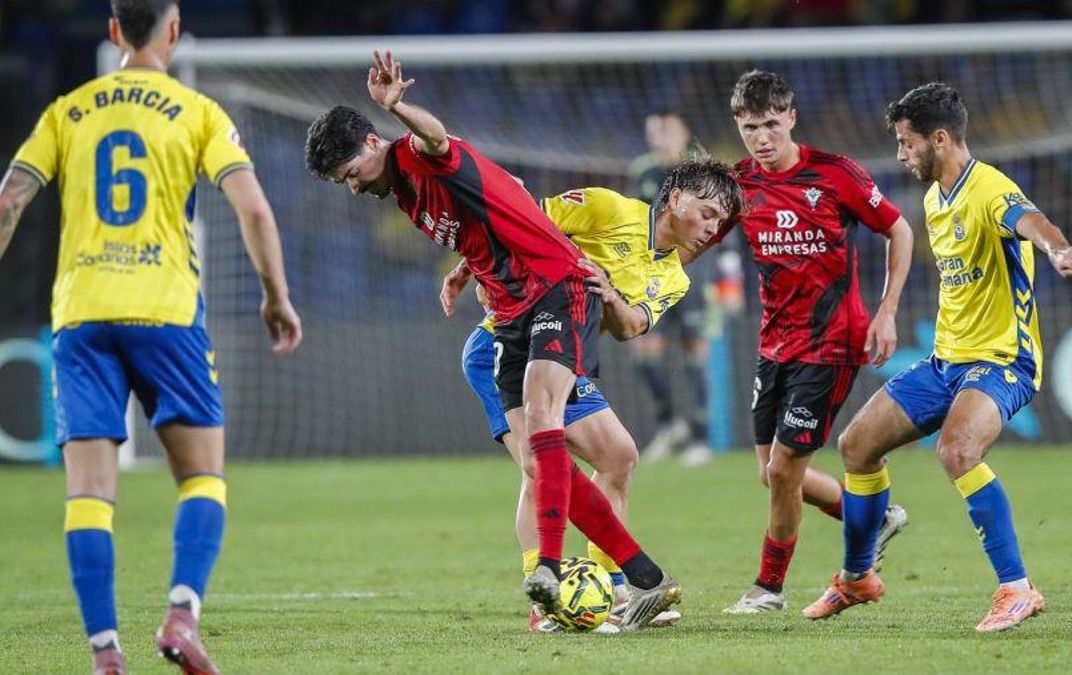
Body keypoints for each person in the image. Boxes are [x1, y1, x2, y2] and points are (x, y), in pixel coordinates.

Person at [304, 50, 681, 630]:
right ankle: (628, 582)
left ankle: (563, 576)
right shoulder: (401, 190)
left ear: (374, 145)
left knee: (564, 435)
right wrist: (467, 266)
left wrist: (399, 107)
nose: (352, 189)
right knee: (543, 455)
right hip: (510, 315)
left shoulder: (413, 154)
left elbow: (436, 140)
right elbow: (505, 197)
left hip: (556, 288)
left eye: (351, 174)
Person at [0, 2, 303, 673]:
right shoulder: (197, 112)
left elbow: (8, 199)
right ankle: (181, 613)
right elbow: (252, 205)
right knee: (202, 477)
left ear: (113, 33)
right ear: (173, 31)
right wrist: (276, 296)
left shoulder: (67, 110)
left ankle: (106, 654)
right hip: (165, 311)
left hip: (82, 315)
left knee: (88, 495)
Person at [802, 81, 1072, 632]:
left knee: (957, 449)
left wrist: (1057, 250)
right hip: (946, 361)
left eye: (907, 143)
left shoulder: (988, 188)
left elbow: (1030, 221)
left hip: (1003, 359)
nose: (900, 154)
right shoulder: (936, 198)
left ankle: (1016, 589)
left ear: (940, 138)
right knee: (857, 446)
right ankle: (857, 576)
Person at [446, 161, 742, 632]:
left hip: (562, 355)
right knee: (542, 465)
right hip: (501, 344)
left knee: (618, 456)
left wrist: (608, 296)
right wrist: (470, 267)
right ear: (676, 197)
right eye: (707, 213)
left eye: (718, 222)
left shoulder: (675, 277)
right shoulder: (607, 207)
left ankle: (614, 588)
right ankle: (544, 602)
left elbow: (629, 328)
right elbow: (518, 217)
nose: (711, 229)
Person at [698, 70, 915, 614]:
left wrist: (886, 313)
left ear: (791, 118)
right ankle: (871, 515)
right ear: (739, 127)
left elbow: (900, 229)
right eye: (750, 127)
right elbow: (695, 241)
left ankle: (768, 588)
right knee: (768, 471)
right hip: (774, 344)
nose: (762, 137)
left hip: (832, 342)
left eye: (771, 123)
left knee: (785, 471)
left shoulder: (835, 174)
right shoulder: (740, 184)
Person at [626, 112, 714, 461]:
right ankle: (668, 425)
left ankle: (700, 439)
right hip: (651, 278)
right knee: (644, 353)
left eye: (668, 131)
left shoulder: (700, 172)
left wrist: (728, 275)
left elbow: (720, 224)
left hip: (693, 275)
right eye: (655, 132)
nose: (661, 138)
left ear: (683, 133)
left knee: (695, 354)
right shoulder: (642, 171)